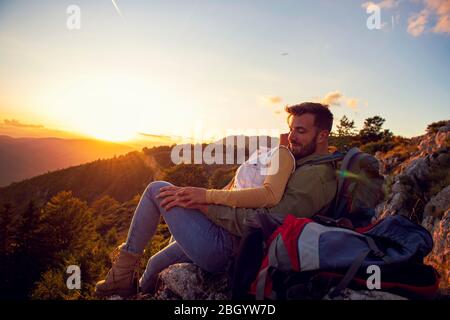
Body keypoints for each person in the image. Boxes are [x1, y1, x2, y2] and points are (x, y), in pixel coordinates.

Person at [94, 102, 337, 297]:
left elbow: (269, 213)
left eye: (301, 131)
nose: (292, 136)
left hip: (228, 246)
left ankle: (121, 274)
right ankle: (132, 290)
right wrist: (202, 200)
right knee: (155, 264)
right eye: (291, 128)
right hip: (223, 233)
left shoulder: (315, 174)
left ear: (322, 135)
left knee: (157, 190)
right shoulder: (300, 159)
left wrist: (205, 202)